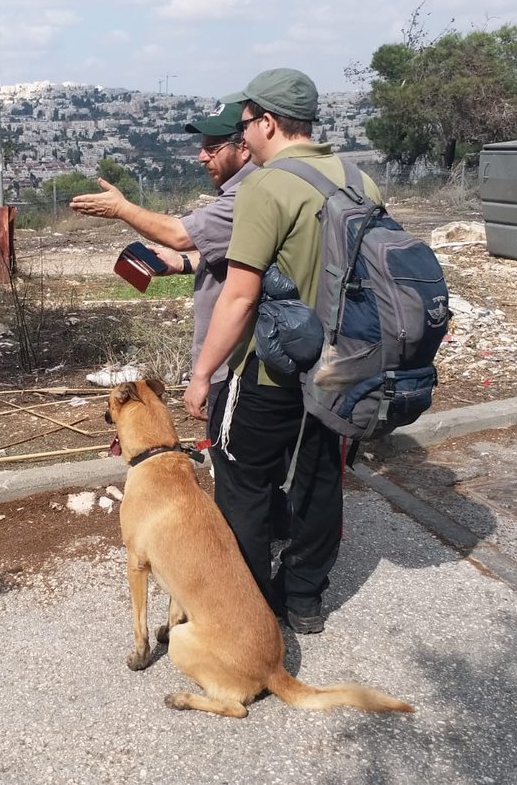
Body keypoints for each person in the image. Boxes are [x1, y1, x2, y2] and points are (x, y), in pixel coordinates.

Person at [183, 69, 384, 635]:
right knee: (320, 477)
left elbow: (241, 296)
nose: (242, 138)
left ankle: (251, 603)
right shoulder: (359, 181)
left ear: (267, 122)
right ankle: (304, 599)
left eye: (245, 125)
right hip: (341, 371)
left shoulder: (265, 188)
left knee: (241, 480)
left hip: (271, 373)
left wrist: (202, 375)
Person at [69, 103, 255, 423]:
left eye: (212, 147)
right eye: (202, 147)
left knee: (236, 460)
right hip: (230, 361)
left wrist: (121, 209)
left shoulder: (248, 194)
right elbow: (240, 254)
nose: (201, 157)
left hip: (234, 363)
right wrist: (182, 264)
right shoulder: (246, 190)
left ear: (244, 147)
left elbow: (179, 234)